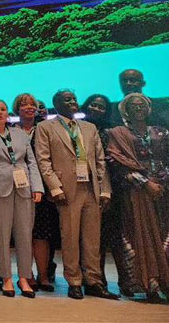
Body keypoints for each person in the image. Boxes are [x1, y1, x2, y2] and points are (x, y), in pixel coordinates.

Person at [35, 90, 118, 300]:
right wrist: (55, 188)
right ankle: (74, 282)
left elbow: (101, 161)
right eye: (67, 99)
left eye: (74, 99)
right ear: (56, 104)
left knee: (93, 239)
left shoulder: (89, 128)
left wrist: (105, 190)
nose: (73, 102)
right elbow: (43, 161)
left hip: (92, 188)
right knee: (70, 237)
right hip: (66, 189)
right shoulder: (45, 127)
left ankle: (94, 281)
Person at [0, 99, 44, 298]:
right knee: (1, 236)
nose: (0, 113)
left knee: (24, 235)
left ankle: (24, 277)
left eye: (3, 109)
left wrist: (37, 187)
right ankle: (6, 278)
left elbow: (32, 162)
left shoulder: (19, 133)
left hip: (24, 189)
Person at [106, 93, 169, 303]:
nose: (139, 108)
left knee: (164, 237)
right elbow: (117, 162)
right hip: (136, 194)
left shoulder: (161, 131)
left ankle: (166, 283)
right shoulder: (117, 133)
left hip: (163, 192)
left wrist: (161, 181)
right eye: (133, 105)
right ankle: (149, 284)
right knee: (140, 236)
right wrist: (146, 183)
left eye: (142, 105)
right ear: (125, 109)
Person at [13, 93, 59, 292]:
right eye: (25, 105)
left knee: (42, 234)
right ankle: (27, 274)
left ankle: (44, 275)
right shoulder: (10, 131)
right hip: (19, 188)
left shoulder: (46, 129)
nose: (29, 107)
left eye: (33, 104)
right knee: (24, 233)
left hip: (44, 188)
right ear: (17, 109)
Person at [81, 93, 127, 292]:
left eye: (101, 107)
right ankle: (95, 280)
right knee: (92, 238)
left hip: (114, 189)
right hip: (86, 188)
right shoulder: (77, 129)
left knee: (115, 237)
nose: (97, 109)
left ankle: (126, 281)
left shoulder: (113, 132)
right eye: (93, 105)